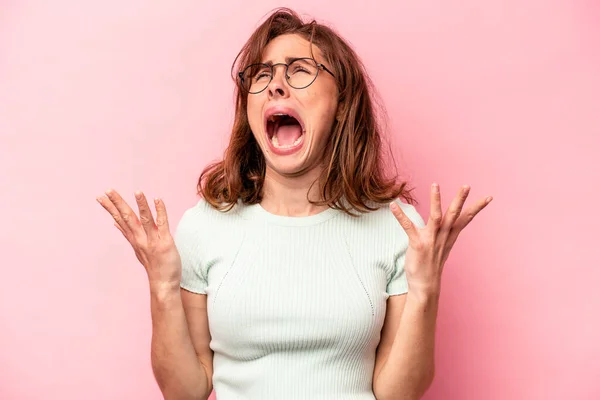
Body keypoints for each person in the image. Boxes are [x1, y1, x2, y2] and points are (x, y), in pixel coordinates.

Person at [97, 8, 492, 400]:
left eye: (300, 70)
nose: (275, 85)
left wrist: (425, 289)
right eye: (261, 74)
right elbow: (187, 392)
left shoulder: (395, 225)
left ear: (341, 103)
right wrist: (163, 287)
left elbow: (398, 394)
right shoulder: (204, 226)